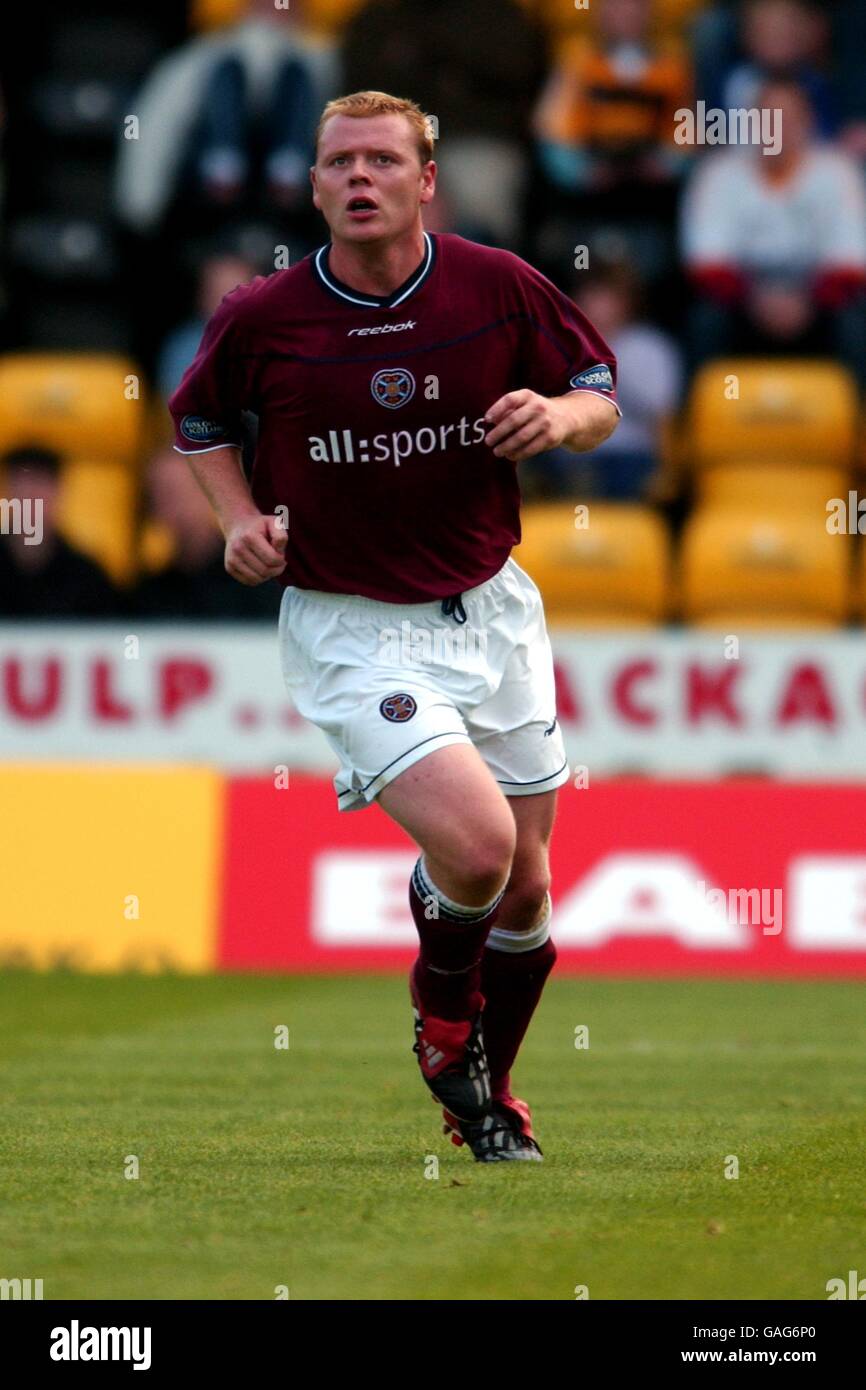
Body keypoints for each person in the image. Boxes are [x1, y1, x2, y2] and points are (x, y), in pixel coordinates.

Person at [168, 91, 621, 1162]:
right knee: (475, 847)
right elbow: (195, 420)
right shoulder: (263, 314)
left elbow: (597, 387)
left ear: (427, 182)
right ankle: (439, 1019)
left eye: (381, 160)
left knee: (528, 889)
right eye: (338, 163)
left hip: (492, 608)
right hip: (352, 625)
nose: (357, 178)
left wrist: (557, 418)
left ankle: (487, 1092)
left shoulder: (495, 285)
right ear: (315, 186)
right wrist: (235, 518)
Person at [0, 447, 121, 619]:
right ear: (8, 494)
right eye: (23, 488)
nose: (31, 498)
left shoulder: (87, 579)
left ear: (59, 494)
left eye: (40, 487)